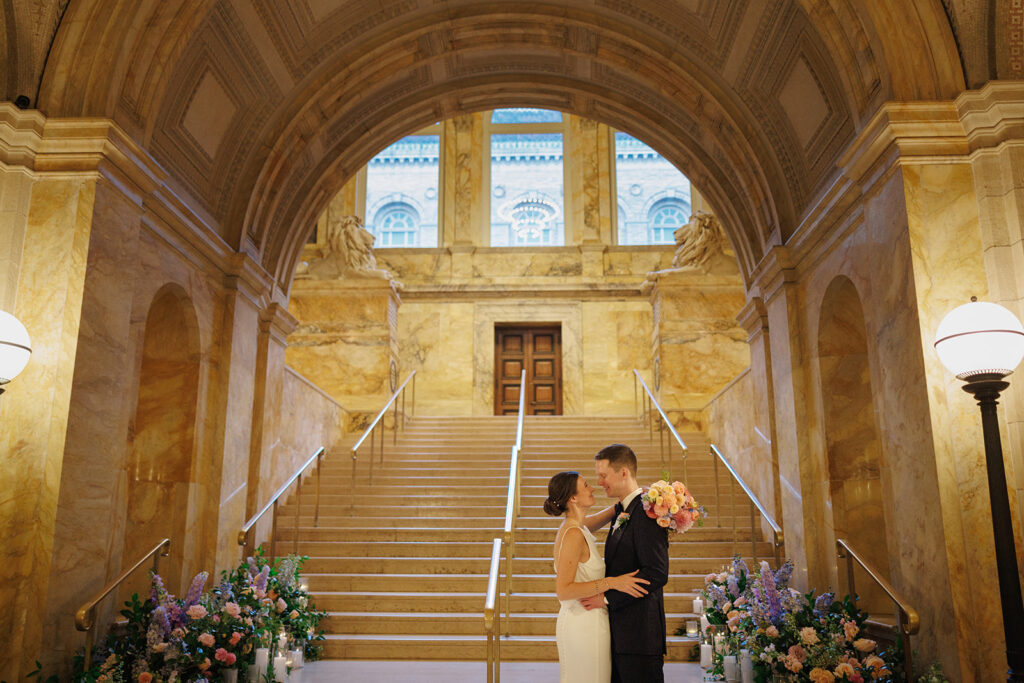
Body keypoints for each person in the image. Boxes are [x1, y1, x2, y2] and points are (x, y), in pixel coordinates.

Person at [544, 471, 650, 683]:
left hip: (589, 619)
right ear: (573, 498)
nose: (592, 488)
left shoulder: (576, 527)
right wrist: (612, 582)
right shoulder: (572, 534)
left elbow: (591, 523)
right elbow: (563, 590)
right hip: (582, 622)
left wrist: (624, 503)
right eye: (585, 485)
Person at [584, 444, 669, 683]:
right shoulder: (625, 509)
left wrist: (607, 598)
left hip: (640, 638)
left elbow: (657, 572)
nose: (599, 482)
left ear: (623, 472)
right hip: (623, 637)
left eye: (603, 475)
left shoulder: (646, 512)